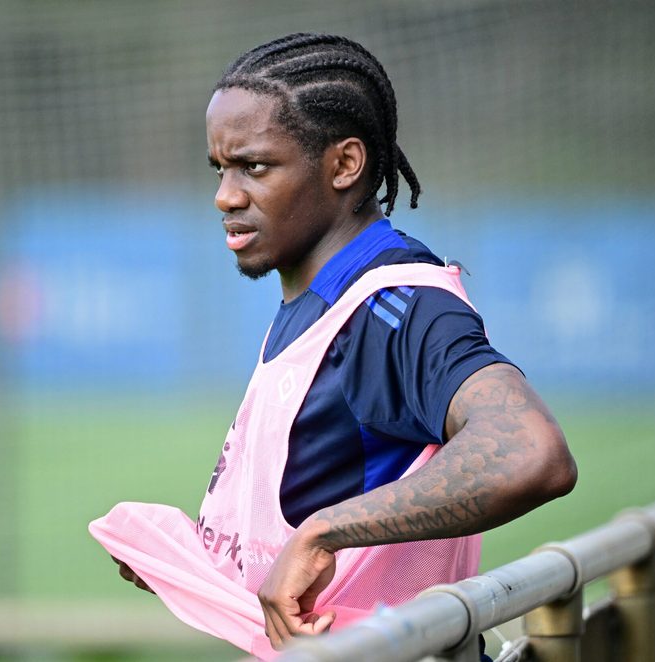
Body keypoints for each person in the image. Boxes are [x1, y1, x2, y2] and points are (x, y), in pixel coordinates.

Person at [91, 32, 577, 658]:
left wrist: (323, 533)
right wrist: (195, 564)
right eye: (220, 168)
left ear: (344, 165)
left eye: (254, 167)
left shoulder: (395, 305)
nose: (225, 195)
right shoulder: (319, 299)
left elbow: (530, 452)